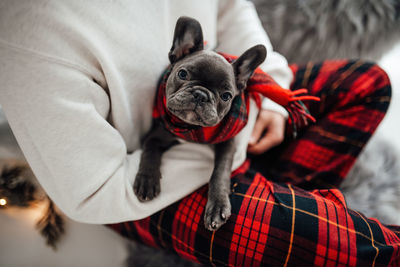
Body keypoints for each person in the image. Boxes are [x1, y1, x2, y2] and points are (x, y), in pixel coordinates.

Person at [0, 0, 399, 266]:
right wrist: (224, 159)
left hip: (234, 126)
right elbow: (93, 191)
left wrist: (272, 92)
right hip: (143, 187)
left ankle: (274, 202)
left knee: (369, 82)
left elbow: (228, 5)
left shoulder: (239, 83)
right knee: (331, 240)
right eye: (186, 76)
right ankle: (280, 212)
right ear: (178, 52)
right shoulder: (29, 33)